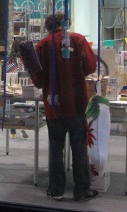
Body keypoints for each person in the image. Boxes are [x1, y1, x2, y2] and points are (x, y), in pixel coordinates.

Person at [32, 11, 99, 202]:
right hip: (76, 103)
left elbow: (37, 79)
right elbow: (91, 66)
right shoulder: (77, 39)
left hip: (54, 105)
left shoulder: (42, 45)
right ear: (66, 24)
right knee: (79, 148)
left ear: (47, 27)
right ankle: (81, 190)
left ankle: (56, 190)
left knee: (55, 148)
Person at [6, 38, 28, 139]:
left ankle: (13, 131)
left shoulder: (10, 58)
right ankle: (21, 127)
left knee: (12, 109)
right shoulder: (22, 59)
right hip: (20, 85)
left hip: (12, 85)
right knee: (21, 107)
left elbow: (7, 72)